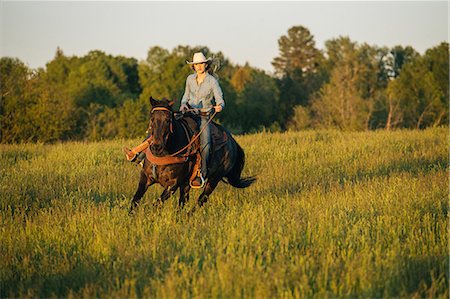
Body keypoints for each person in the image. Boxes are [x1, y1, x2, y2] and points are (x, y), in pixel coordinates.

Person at [180, 52, 225, 188]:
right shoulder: (189, 79)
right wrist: (182, 104)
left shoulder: (212, 81)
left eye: (201, 64)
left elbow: (220, 100)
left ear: (206, 65)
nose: (199, 66)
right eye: (196, 64)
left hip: (204, 115)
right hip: (188, 113)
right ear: (193, 67)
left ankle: (202, 174)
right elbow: (185, 96)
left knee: (205, 144)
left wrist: (219, 107)